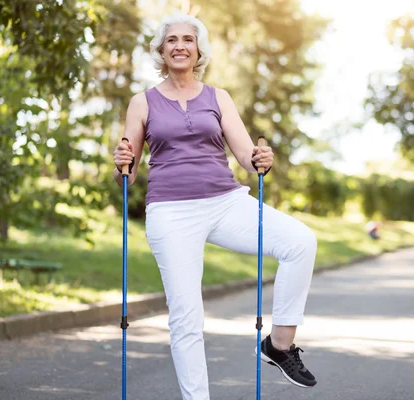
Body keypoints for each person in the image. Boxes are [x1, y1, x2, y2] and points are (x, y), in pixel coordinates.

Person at [112, 13, 317, 399]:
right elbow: (130, 171)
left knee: (300, 242)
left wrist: (261, 159)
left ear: (198, 50)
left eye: (188, 39)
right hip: (171, 212)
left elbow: (244, 153)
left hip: (225, 202)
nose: (180, 46)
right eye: (171, 40)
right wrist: (122, 161)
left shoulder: (217, 97)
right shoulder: (143, 102)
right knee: (187, 319)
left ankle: (279, 345)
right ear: (161, 50)